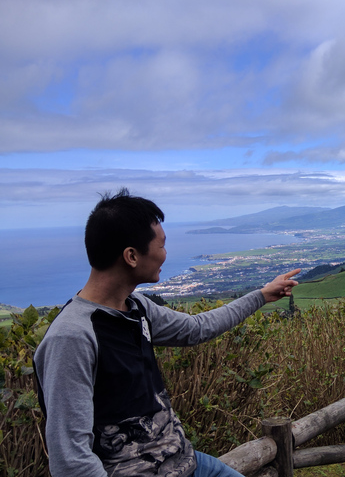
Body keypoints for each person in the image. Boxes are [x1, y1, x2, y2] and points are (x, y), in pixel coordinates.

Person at [33, 189, 300, 477]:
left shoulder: (137, 308)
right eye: (161, 245)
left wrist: (261, 295)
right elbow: (71, 460)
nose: (165, 254)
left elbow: (197, 329)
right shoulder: (73, 337)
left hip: (186, 461)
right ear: (131, 256)